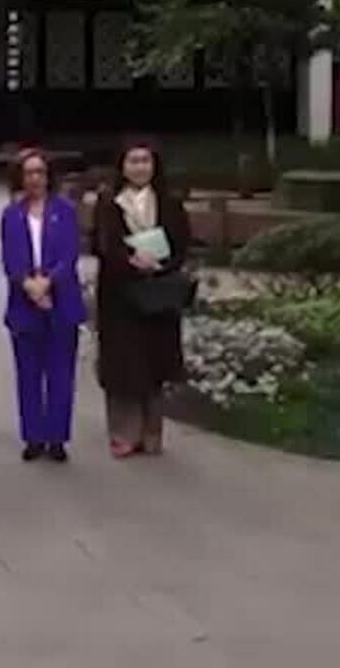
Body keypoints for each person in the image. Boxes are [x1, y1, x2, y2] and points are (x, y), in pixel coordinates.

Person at [94, 139, 192, 458]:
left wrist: (161, 263)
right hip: (120, 294)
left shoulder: (169, 202)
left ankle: (152, 433)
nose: (139, 167)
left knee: (154, 364)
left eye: (145, 161)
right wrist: (132, 261)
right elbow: (104, 244)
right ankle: (123, 433)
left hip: (158, 293)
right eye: (133, 161)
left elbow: (182, 243)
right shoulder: (109, 203)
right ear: (122, 166)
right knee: (123, 366)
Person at [0, 149, 84, 462]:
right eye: (29, 173)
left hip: (61, 301)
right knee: (28, 373)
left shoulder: (65, 210)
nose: (35, 178)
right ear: (20, 178)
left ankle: (57, 437)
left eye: (40, 172)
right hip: (24, 303)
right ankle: (33, 436)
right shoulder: (12, 214)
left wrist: (48, 283)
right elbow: (10, 259)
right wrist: (29, 286)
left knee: (61, 373)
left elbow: (70, 254)